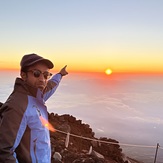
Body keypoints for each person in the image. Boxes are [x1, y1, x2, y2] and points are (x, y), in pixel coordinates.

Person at [0, 53, 68, 163]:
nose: (42, 79)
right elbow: (4, 152)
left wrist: (60, 74)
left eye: (46, 75)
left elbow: (51, 85)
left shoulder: (37, 96)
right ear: (23, 75)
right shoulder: (17, 106)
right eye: (36, 73)